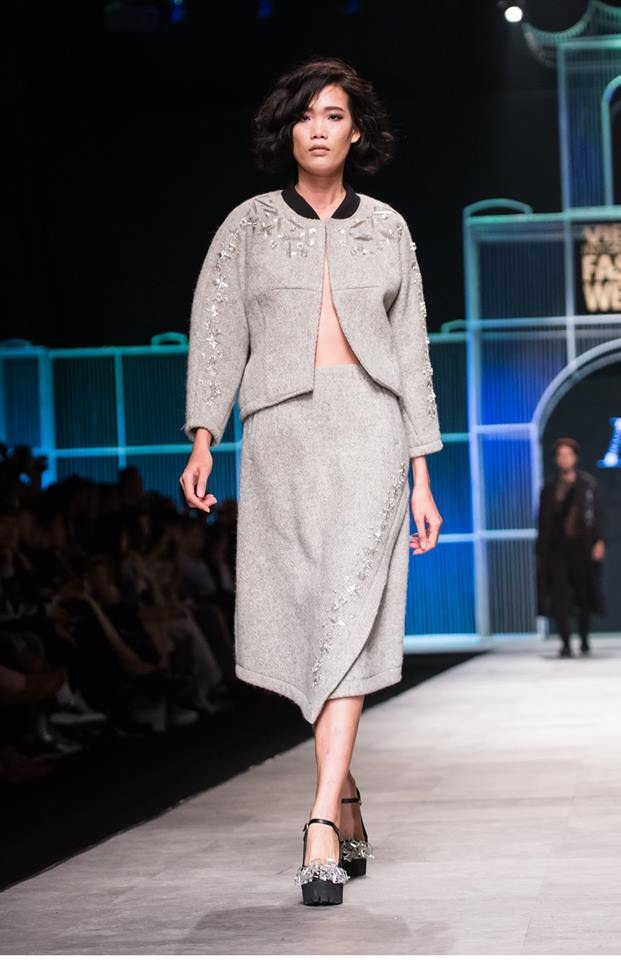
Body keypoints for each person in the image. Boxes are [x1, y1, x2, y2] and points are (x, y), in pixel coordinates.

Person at [179, 56, 443, 906]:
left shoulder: (388, 228)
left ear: (356, 131)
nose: (319, 128)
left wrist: (422, 474)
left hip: (370, 430)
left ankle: (322, 818)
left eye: (333, 114)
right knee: (307, 617)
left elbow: (410, 355)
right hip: (281, 436)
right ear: (286, 131)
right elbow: (217, 333)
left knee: (350, 611)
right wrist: (203, 437)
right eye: (304, 115)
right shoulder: (248, 226)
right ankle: (349, 790)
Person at [536, 436, 606, 658]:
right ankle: (566, 642)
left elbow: (598, 515)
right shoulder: (549, 488)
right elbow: (543, 522)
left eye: (568, 455)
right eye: (561, 455)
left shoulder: (588, 485)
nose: (564, 459)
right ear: (556, 459)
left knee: (584, 594)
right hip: (557, 549)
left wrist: (599, 541)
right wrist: (540, 553)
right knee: (560, 597)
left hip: (582, 547)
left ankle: (584, 638)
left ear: (575, 457)